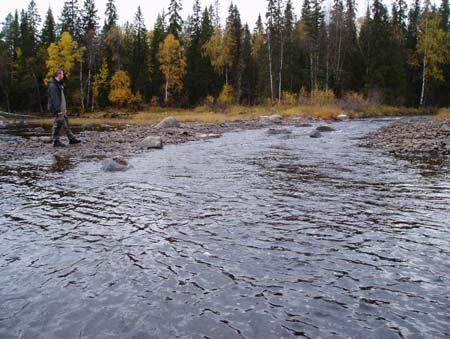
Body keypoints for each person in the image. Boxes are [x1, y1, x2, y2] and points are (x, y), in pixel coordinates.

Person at [48, 69, 81, 147]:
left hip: (61, 107)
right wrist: (58, 110)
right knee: (63, 122)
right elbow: (55, 98)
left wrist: (63, 108)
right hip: (57, 108)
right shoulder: (53, 85)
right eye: (62, 74)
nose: (63, 76)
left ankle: (56, 140)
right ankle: (71, 139)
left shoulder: (58, 83)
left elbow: (61, 96)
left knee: (58, 123)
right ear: (59, 75)